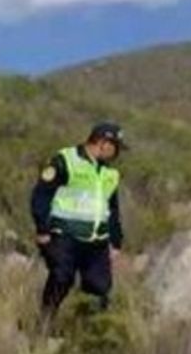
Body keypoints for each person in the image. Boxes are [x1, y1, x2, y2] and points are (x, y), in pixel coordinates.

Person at [31, 122, 127, 320]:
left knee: (99, 289)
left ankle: (87, 336)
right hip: (65, 236)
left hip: (96, 242)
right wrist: (42, 230)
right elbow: (41, 195)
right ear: (103, 143)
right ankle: (44, 326)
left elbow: (112, 209)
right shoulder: (65, 160)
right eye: (115, 148)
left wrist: (115, 242)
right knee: (61, 279)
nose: (116, 154)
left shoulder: (110, 173)